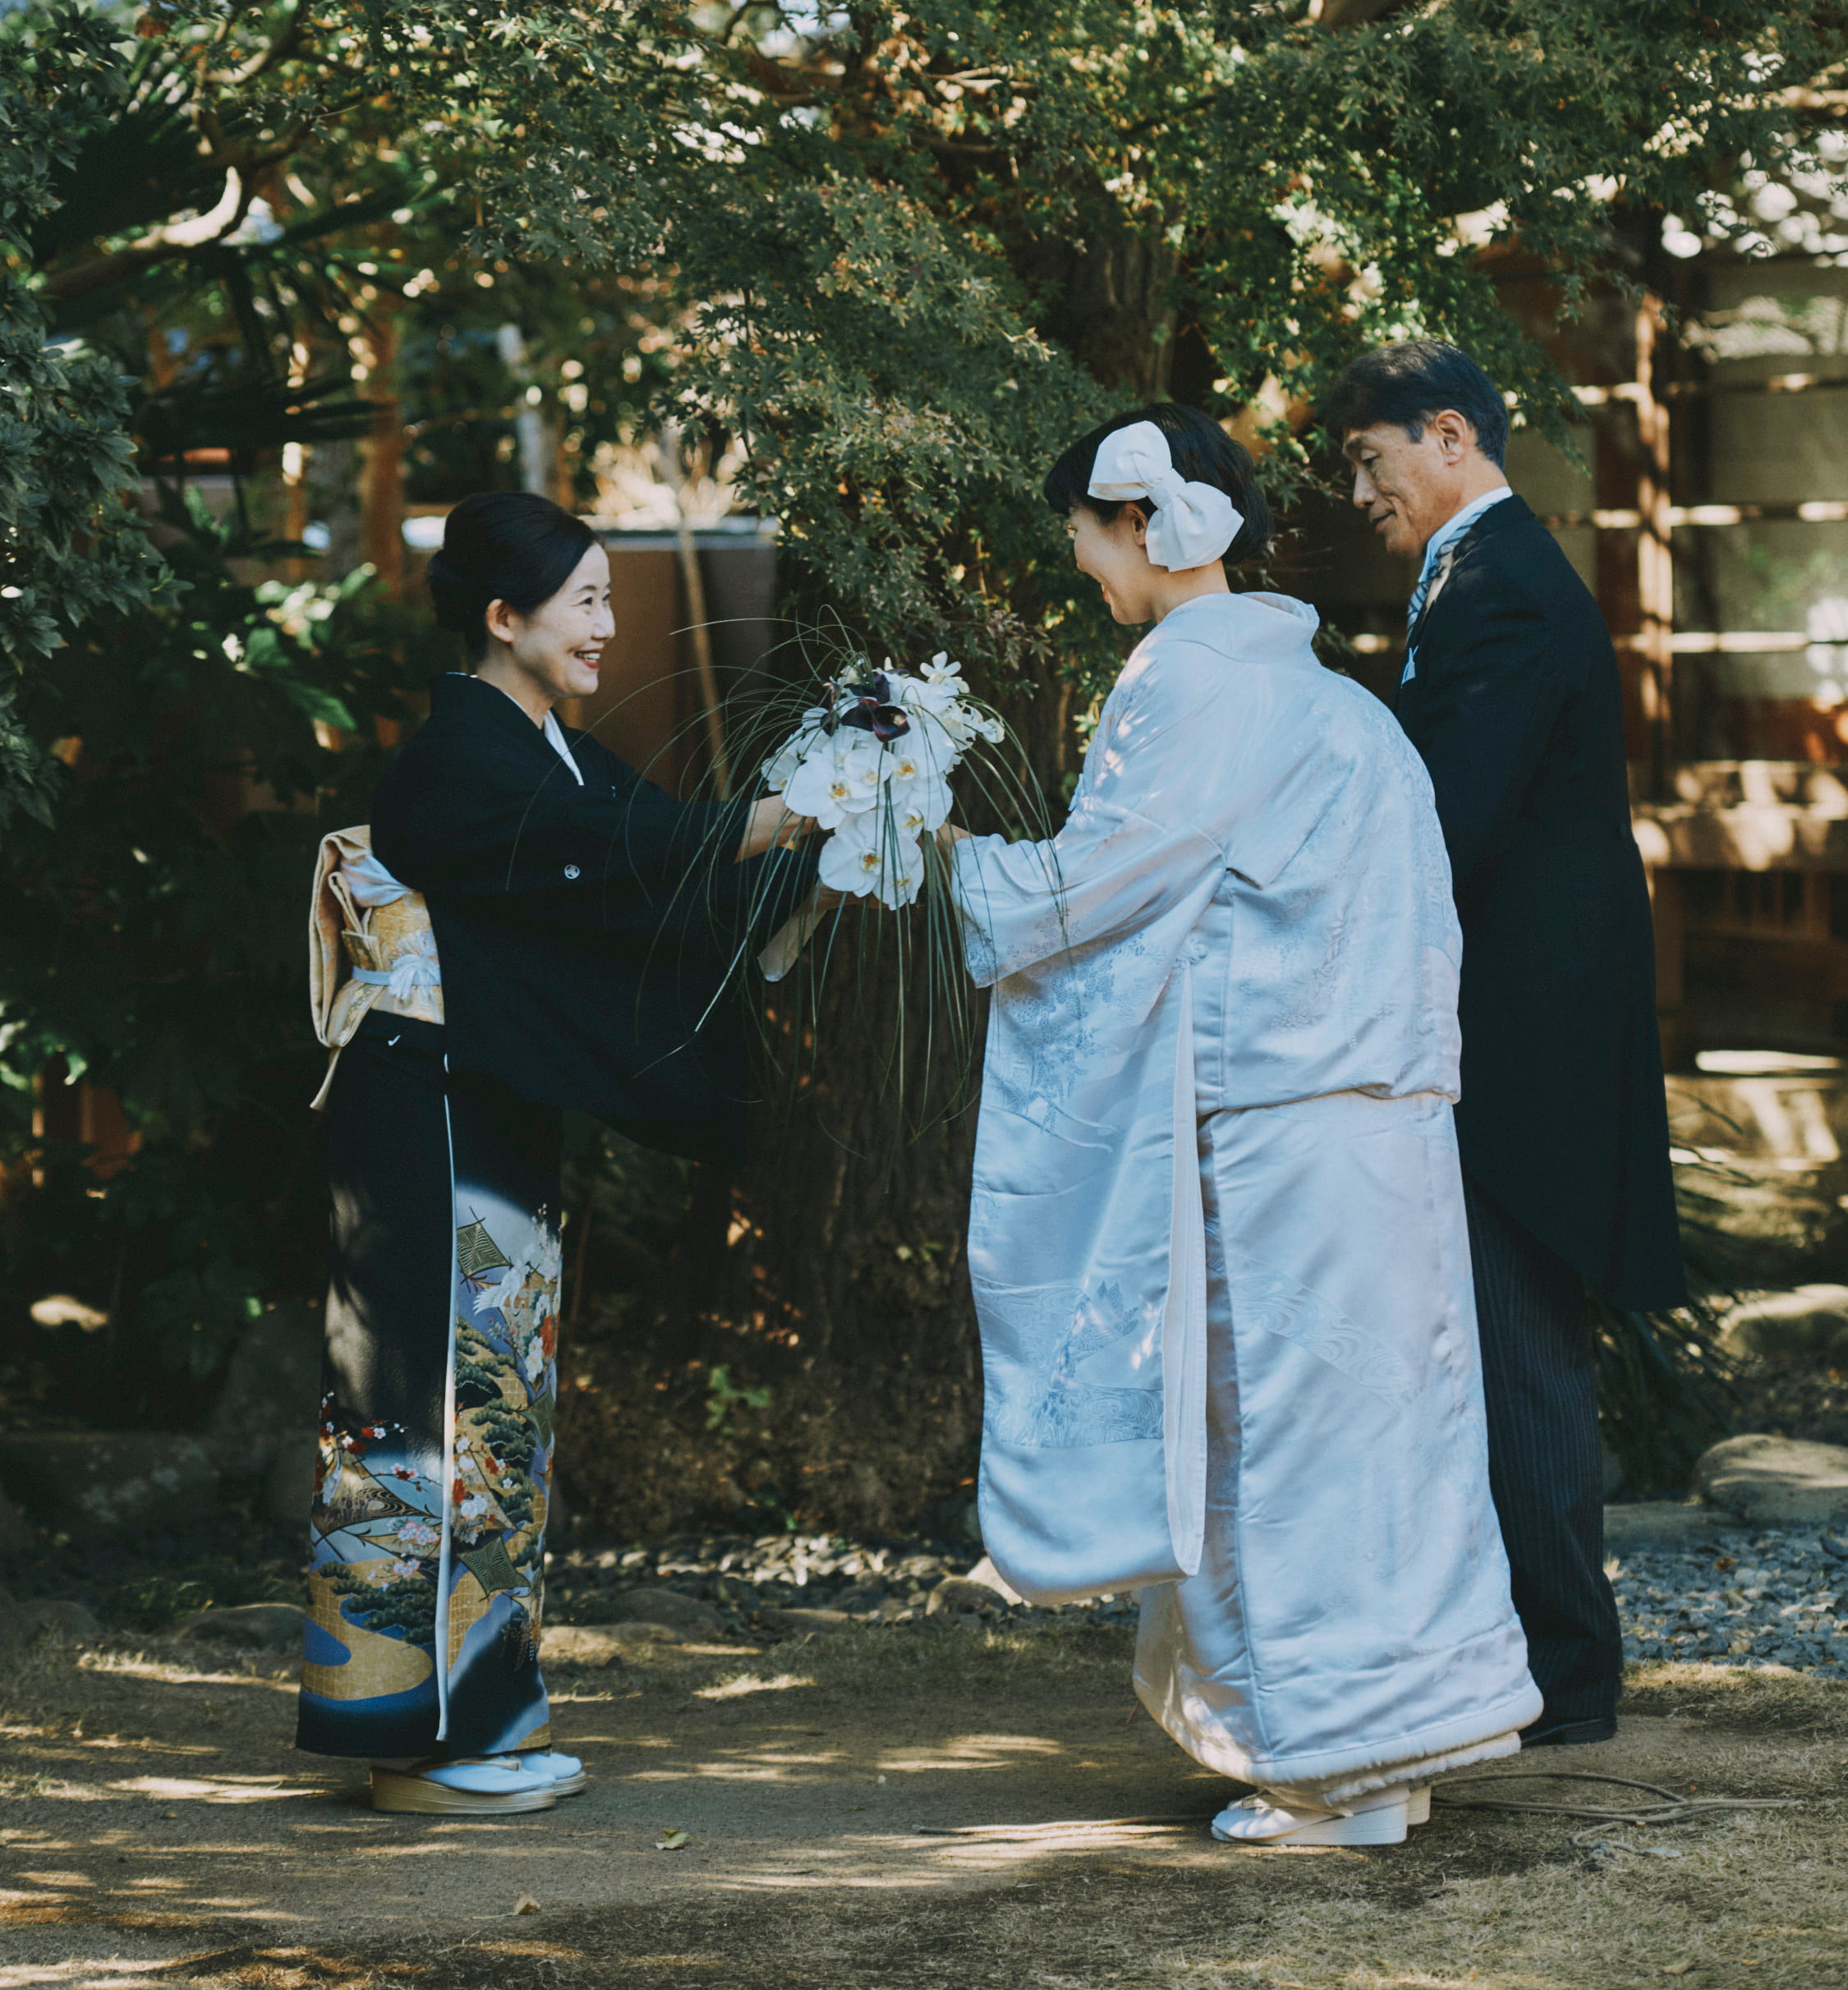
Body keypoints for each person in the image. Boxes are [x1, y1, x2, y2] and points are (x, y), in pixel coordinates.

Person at [946, 406, 1541, 1849]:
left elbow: (1102, 885)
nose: (1085, 566)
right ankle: (1379, 1750)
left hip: (1275, 1119)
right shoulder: (1322, 689)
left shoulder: (1193, 683)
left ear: (1137, 522)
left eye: (1084, 534)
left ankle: (1329, 1765)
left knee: (1267, 1440)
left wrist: (948, 858)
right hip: (1379, 1119)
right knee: (1381, 1436)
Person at [299, 491, 806, 1816]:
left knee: (498, 1404)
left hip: (486, 1097)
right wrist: (772, 819)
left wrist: (819, 847)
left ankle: (477, 1720)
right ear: (502, 616)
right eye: (582, 600)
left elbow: (653, 880)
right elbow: (620, 854)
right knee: (431, 1407)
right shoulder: (459, 756)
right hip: (420, 1104)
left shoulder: (548, 747)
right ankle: (411, 1741)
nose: (606, 623)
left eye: (605, 597)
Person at [1322, 338, 1686, 1749]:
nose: (1360, 491)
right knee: (1493, 1336)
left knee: (1518, 1337)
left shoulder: (1504, 592)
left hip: (1524, 1035)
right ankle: (1534, 1656)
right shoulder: (1481, 574)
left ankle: (1564, 1677)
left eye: (1371, 459)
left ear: (1451, 437)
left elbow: (1441, 816)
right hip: (1513, 1016)